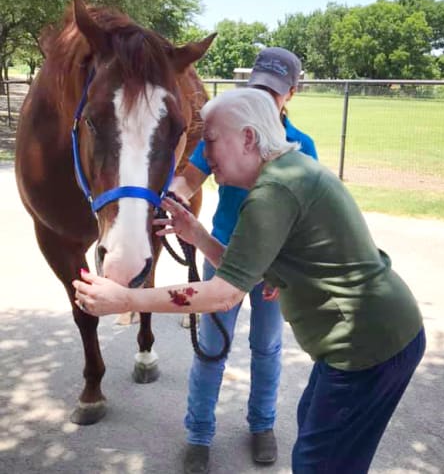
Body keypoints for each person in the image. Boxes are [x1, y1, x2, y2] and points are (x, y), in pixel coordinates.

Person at [73, 87, 426, 474]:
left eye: (209, 141)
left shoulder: (273, 192)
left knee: (318, 463)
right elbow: (247, 270)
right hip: (372, 339)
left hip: (367, 346)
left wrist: (125, 300)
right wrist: (200, 238)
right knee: (316, 435)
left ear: (248, 138)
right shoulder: (287, 172)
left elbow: (225, 294)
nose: (203, 156)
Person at [168, 47, 317, 473]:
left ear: (291, 93)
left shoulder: (301, 146)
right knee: (212, 348)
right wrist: (175, 195)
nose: (265, 100)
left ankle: (262, 424)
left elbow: (305, 214)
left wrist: (288, 267)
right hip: (224, 255)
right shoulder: (227, 135)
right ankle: (198, 433)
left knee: (267, 347)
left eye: (275, 92)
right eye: (258, 90)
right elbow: (190, 175)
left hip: (274, 264)